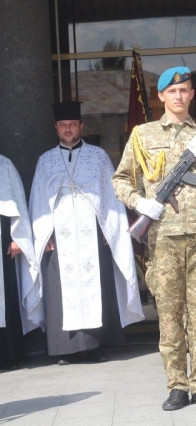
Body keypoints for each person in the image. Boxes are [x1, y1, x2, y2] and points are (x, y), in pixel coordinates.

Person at [112, 67, 196, 410]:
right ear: (161, 96)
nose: (179, 96)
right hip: (163, 237)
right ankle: (177, 385)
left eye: (184, 90)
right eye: (172, 91)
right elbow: (120, 180)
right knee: (169, 314)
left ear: (192, 94)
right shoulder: (142, 134)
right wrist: (140, 203)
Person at [29, 101, 144, 366]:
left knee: (95, 287)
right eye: (63, 125)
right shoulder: (45, 160)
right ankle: (65, 350)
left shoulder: (98, 156)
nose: (68, 129)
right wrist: (44, 234)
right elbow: (38, 200)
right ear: (56, 128)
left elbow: (111, 195)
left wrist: (110, 227)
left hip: (92, 233)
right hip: (60, 237)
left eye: (72, 124)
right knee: (61, 292)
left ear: (81, 126)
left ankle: (95, 346)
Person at [0, 155, 39, 370]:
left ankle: (7, 355)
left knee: (4, 299)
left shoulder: (4, 164)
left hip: (1, 241)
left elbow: (16, 201)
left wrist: (17, 238)